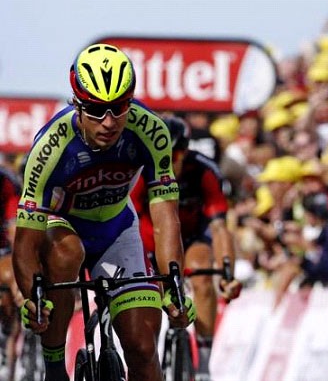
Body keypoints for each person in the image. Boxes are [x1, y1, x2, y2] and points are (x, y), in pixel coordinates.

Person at [13, 43, 195, 381]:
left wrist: (174, 284)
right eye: (96, 110)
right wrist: (33, 298)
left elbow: (166, 218)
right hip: (62, 228)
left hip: (116, 229)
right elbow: (25, 239)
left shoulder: (151, 132)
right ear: (77, 105)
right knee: (68, 251)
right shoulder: (51, 145)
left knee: (142, 348)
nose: (109, 121)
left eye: (119, 107)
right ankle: (55, 369)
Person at [132, 115, 242, 381]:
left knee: (204, 278)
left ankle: (203, 365)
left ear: (186, 150)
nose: (172, 161)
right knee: (150, 296)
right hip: (151, 240)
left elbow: (219, 229)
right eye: (166, 156)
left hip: (191, 237)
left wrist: (227, 273)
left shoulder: (204, 170)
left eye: (177, 154)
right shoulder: (141, 172)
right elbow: (129, 223)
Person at [0, 165, 22, 381]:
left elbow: (15, 230)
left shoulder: (7, 182)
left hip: (4, 248)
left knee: (10, 275)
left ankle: (8, 333)